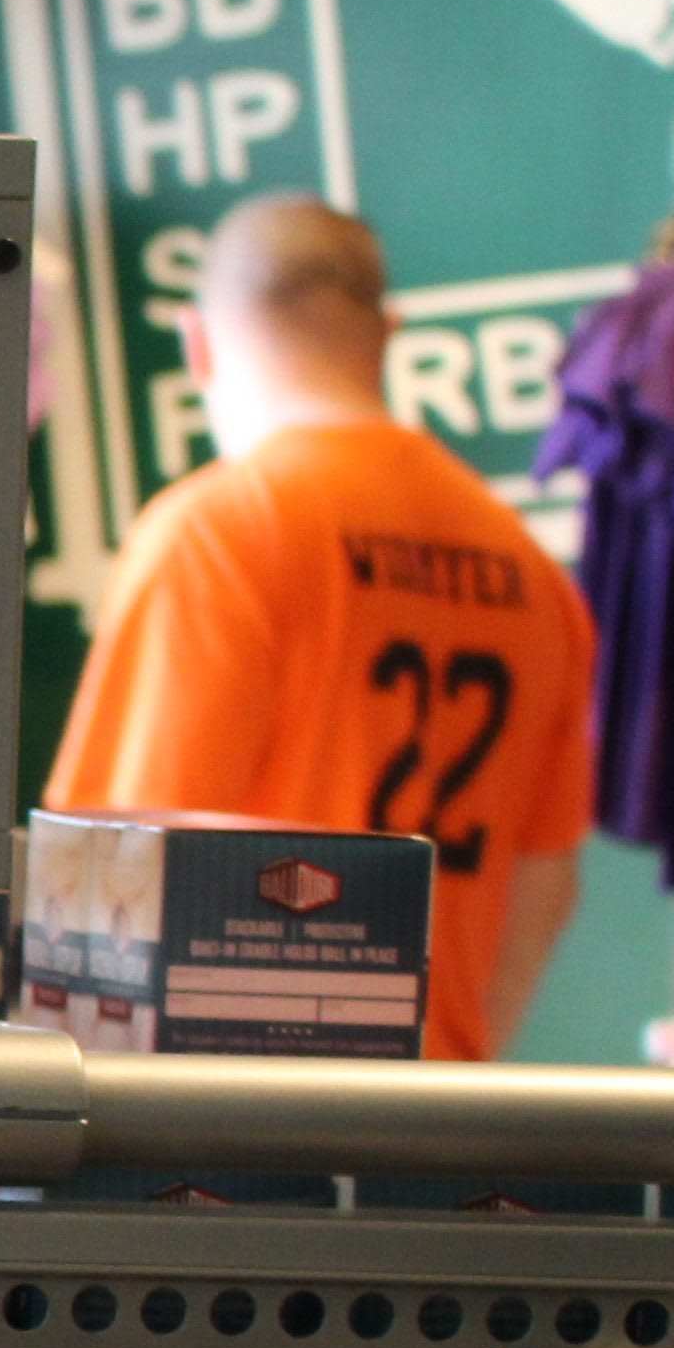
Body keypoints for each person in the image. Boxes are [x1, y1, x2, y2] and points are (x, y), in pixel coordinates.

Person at [43, 192, 594, 1062]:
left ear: (196, 342)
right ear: (389, 333)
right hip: (428, 1130)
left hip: (230, 1140)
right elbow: (545, 882)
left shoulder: (219, 533)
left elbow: (111, 871)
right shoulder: (529, 569)